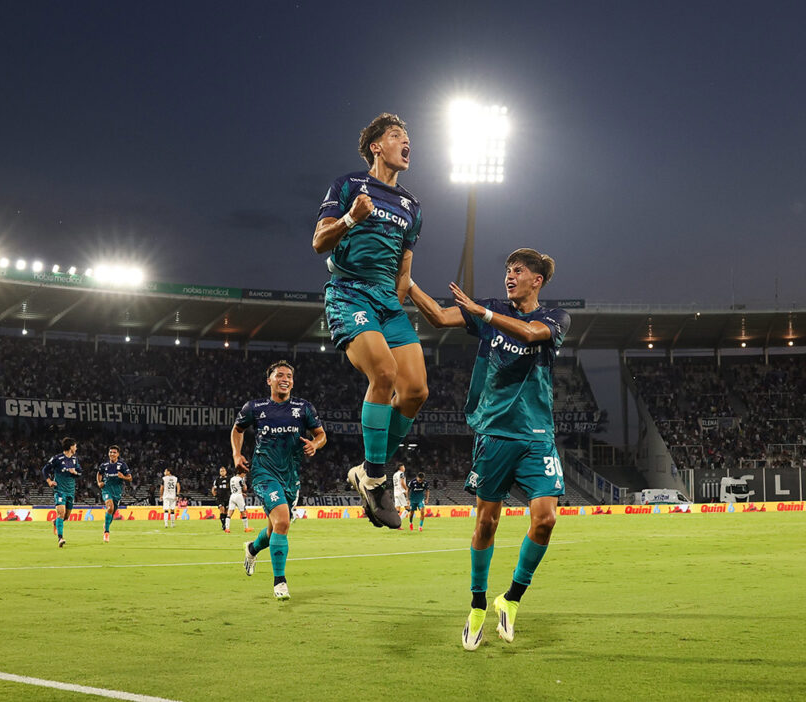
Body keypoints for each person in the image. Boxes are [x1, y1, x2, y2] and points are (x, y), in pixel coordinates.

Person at [407, 248, 571, 650]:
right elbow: (438, 317)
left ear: (538, 280)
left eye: (518, 271)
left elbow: (531, 334)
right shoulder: (492, 309)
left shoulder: (555, 318)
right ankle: (478, 605)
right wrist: (408, 282)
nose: (509, 276)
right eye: (507, 271)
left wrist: (483, 315)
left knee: (546, 519)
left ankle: (510, 598)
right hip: (494, 433)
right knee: (486, 524)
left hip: (536, 435)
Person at [312, 112, 427, 530]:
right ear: (377, 146)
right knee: (384, 372)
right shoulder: (348, 186)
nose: (406, 141)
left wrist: (398, 305)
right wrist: (350, 219)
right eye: (397, 135)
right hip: (349, 291)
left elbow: (404, 271)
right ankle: (377, 479)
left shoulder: (412, 206)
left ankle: (365, 468)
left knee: (415, 391)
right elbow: (318, 242)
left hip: (387, 302)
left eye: (408, 136)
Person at [232, 360, 326, 600]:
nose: (285, 379)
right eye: (280, 375)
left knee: (276, 528)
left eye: (289, 376)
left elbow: (321, 434)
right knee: (283, 521)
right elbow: (237, 429)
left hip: (291, 476)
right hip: (264, 472)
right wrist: (237, 453)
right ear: (269, 380)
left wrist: (315, 444)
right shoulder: (255, 407)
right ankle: (280, 582)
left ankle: (252, 548)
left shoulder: (303, 408)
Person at [42, 437, 82, 547]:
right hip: (59, 490)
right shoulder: (57, 459)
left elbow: (80, 473)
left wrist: (75, 473)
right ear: (70, 447)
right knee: (61, 513)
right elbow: (45, 469)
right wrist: (49, 481)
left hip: (70, 491)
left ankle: (55, 522)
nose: (76, 448)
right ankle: (60, 538)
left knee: (66, 516)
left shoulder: (75, 460)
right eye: (75, 446)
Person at [96, 444, 132, 542]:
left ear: (118, 454)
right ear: (108, 454)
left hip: (117, 491)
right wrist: (99, 482)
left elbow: (130, 478)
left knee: (112, 512)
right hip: (107, 489)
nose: (112, 454)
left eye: (114, 452)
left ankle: (106, 525)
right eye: (110, 452)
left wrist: (123, 477)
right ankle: (106, 533)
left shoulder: (122, 465)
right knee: (110, 507)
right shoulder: (104, 465)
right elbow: (99, 473)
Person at [226, 466, 251, 534]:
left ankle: (227, 528)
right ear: (241, 473)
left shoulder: (232, 479)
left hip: (232, 495)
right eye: (244, 473)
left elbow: (235, 487)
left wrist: (241, 492)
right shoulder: (240, 479)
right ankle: (246, 528)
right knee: (243, 512)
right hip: (238, 497)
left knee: (230, 512)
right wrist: (244, 483)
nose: (244, 475)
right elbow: (244, 488)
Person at [211, 467, 230, 531]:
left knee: (226, 511)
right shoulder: (217, 480)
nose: (222, 472)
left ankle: (225, 523)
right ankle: (223, 525)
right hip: (220, 498)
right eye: (221, 471)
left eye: (223, 471)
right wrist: (215, 496)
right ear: (219, 472)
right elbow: (213, 489)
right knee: (222, 509)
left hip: (227, 497)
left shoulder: (229, 479)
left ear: (226, 472)